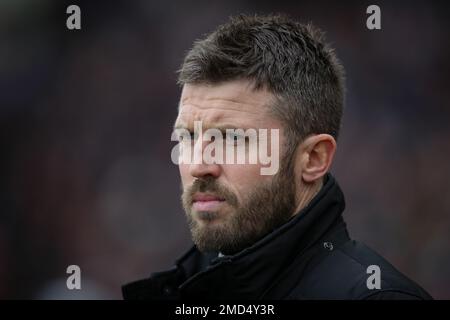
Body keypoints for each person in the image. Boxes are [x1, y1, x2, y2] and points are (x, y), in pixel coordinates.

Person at [122, 14, 432, 300]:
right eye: (188, 137)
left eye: (233, 139)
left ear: (313, 158)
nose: (199, 165)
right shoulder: (185, 289)